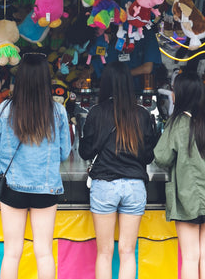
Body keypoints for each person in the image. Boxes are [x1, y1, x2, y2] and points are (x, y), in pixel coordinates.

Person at [0, 53, 72, 279]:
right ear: (46, 80)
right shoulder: (58, 111)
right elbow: (64, 153)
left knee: (12, 253)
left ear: (20, 78)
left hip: (12, 188)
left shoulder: (5, 109)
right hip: (46, 189)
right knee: (44, 252)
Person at [79, 61, 158, 279]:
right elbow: (149, 155)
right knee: (127, 252)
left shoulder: (96, 112)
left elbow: (85, 152)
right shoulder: (142, 114)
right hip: (134, 186)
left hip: (104, 185)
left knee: (104, 253)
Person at [154, 71, 205, 279]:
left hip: (186, 197)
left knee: (190, 257)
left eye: (173, 90)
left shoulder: (176, 123)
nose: (171, 94)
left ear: (179, 94)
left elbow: (161, 157)